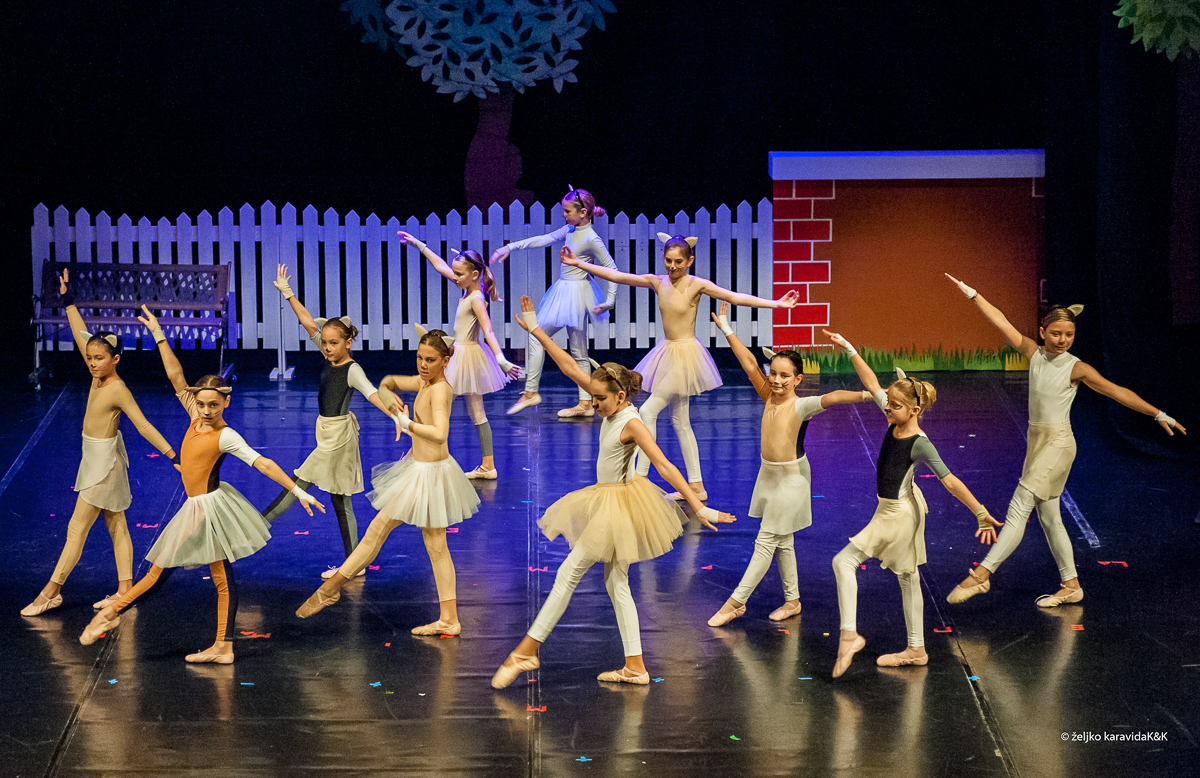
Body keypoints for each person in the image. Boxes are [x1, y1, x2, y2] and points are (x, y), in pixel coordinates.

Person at [491, 297, 736, 689]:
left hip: (618, 504)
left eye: (601, 399)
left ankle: (527, 650)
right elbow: (569, 366)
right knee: (616, 582)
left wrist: (698, 507)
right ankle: (635, 666)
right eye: (593, 397)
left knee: (570, 572)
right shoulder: (609, 404)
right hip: (611, 499)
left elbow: (664, 466)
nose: (594, 403)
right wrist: (535, 329)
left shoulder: (631, 422)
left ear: (621, 397)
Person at [79, 306, 325, 664]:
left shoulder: (226, 435)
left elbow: (263, 463)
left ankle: (112, 613)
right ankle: (219, 644)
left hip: (208, 510)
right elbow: (176, 375)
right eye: (202, 404)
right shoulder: (195, 415)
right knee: (202, 576)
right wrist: (159, 334)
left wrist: (299, 491)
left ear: (226, 402)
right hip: (197, 507)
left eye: (214, 405)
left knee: (169, 573)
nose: (207, 411)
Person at [943, 274, 1185, 607]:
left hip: (1059, 444)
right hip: (1037, 444)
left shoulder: (1077, 368)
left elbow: (1117, 391)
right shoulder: (1032, 353)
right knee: (1050, 517)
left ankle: (982, 575)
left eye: (1069, 334)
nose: (1063, 340)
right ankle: (1071, 585)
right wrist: (973, 294)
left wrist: (1158, 413)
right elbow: (1000, 320)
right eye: (1056, 334)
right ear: (1042, 332)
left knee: (1020, 507)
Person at [563, 233, 798, 501]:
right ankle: (696, 486)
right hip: (668, 351)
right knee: (681, 422)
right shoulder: (657, 282)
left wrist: (776, 303)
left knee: (647, 412)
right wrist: (580, 264)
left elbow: (734, 297)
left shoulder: (696, 285)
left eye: (678, 262)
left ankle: (640, 478)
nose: (673, 267)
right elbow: (618, 276)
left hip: (685, 356)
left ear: (689, 261)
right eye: (668, 261)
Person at [822, 328, 1002, 678]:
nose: (887, 408)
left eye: (895, 405)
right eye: (888, 403)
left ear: (915, 410)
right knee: (908, 576)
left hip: (900, 513)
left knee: (843, 561)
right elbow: (872, 383)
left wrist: (980, 513)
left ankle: (849, 636)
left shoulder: (920, 442)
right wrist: (849, 348)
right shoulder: (895, 416)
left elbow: (950, 480)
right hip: (894, 507)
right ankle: (916, 649)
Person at [295, 330, 481, 638]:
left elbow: (440, 434)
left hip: (430, 475)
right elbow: (389, 381)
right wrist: (386, 395)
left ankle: (332, 588)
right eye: (419, 358)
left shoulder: (440, 391)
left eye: (431, 360)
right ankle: (447, 618)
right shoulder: (424, 382)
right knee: (421, 543)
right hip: (421, 469)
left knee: (404, 538)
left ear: (446, 361)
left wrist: (405, 423)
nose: (423, 365)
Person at [22, 270, 179, 617]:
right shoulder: (96, 370)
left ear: (115, 359)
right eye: (90, 358)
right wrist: (68, 300)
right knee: (116, 523)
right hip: (98, 459)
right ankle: (124, 591)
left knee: (77, 527)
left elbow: (142, 424)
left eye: (99, 358)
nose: (92, 363)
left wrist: (173, 455)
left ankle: (51, 592)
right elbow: (80, 332)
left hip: (104, 464)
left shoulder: (117, 388)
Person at [705, 303, 871, 627]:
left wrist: (870, 395)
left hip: (793, 479)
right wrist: (725, 327)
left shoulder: (801, 405)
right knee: (783, 541)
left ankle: (735, 603)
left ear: (798, 379)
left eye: (785, 376)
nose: (777, 380)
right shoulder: (768, 394)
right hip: (768, 475)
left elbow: (834, 396)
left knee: (766, 540)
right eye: (773, 373)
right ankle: (792, 601)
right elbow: (748, 362)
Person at [262, 264, 401, 578]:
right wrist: (288, 293)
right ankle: (354, 563)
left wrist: (396, 416)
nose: (326, 347)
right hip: (326, 432)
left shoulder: (352, 369)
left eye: (333, 343)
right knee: (340, 499)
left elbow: (372, 394)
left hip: (338, 439)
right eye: (324, 343)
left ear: (347, 343)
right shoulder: (328, 354)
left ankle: (253, 528)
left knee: (296, 485)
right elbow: (308, 322)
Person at [399, 234, 522, 479]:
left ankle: (415, 456)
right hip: (463, 357)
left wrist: (501, 360)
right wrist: (419, 244)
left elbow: (488, 330)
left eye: (458, 274)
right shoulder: (468, 289)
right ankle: (488, 466)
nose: (454, 277)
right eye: (454, 273)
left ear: (474, 275)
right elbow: (440, 266)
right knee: (471, 412)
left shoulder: (476, 299)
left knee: (433, 405)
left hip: (465, 358)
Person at [493, 187, 618, 418]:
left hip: (576, 293)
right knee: (578, 351)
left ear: (583, 213)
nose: (564, 214)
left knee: (537, 335)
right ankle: (585, 403)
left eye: (568, 211)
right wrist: (509, 247)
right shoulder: (571, 228)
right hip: (567, 291)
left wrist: (610, 300)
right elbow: (544, 239)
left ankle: (531, 392)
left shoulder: (591, 238)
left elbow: (611, 268)